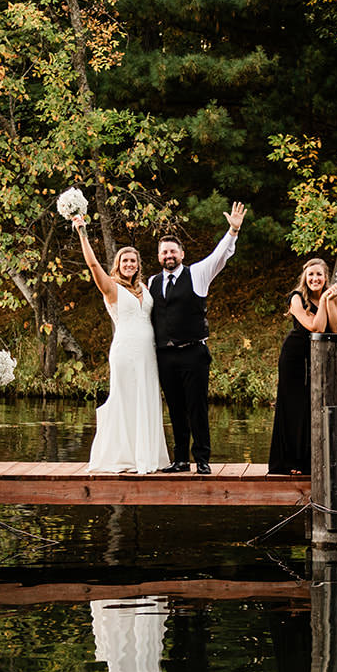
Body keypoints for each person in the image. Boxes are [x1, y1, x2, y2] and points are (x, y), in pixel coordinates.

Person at [149, 202, 247, 475]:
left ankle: (202, 459)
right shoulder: (152, 282)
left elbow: (219, 256)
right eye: (164, 252)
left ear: (182, 253)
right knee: (176, 409)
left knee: (197, 407)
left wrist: (233, 231)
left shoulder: (198, 274)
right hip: (165, 355)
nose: (168, 255)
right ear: (159, 256)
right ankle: (180, 460)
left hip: (193, 352)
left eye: (172, 251)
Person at [74, 216, 170, 474]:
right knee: (125, 399)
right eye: (125, 261)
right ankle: (123, 456)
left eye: (133, 261)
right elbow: (93, 265)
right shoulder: (111, 288)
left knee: (146, 398)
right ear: (118, 264)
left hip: (148, 354)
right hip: (125, 352)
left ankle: (147, 456)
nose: (129, 264)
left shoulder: (145, 287)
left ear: (138, 265)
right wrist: (83, 233)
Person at [266, 258, 337, 474]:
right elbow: (316, 327)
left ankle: (308, 461)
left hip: (319, 358)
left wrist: (329, 301)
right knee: (294, 407)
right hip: (295, 356)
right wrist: (325, 301)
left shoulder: (334, 297)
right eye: (310, 275)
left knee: (315, 406)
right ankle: (288, 463)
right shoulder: (297, 298)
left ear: (326, 276)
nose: (315, 279)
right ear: (305, 277)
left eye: (319, 274)